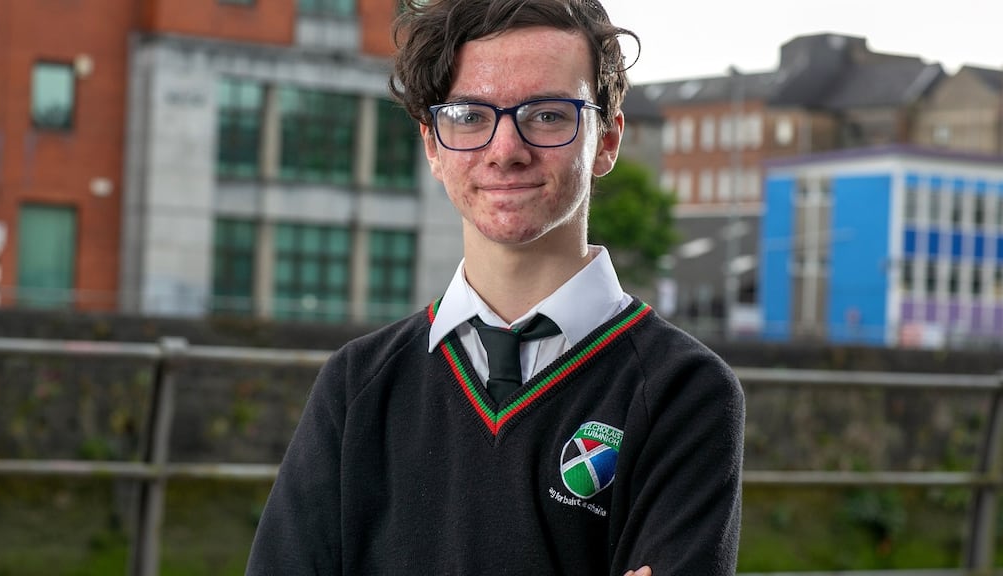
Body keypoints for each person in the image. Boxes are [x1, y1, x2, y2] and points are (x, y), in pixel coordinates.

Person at [245, 0, 744, 574]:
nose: (506, 150)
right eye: (469, 115)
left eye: (549, 115)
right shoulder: (358, 385)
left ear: (606, 140)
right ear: (433, 144)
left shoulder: (684, 391)